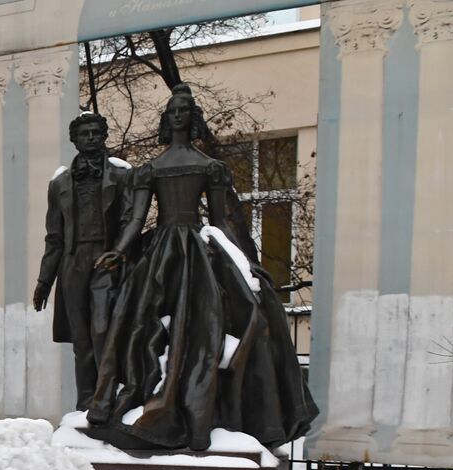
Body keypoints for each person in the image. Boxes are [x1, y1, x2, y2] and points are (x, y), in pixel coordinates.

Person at [88, 84, 317, 451]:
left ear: (193, 119)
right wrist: (118, 251)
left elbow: (224, 221)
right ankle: (130, 400)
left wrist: (245, 262)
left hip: (198, 246)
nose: (178, 116)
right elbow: (136, 222)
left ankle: (204, 410)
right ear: (167, 119)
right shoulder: (150, 170)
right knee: (138, 323)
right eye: (173, 111)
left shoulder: (210, 167)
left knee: (212, 320)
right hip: (162, 249)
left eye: (184, 111)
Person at [33, 112, 132, 410]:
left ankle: (108, 399)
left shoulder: (122, 176)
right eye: (84, 134)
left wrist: (120, 252)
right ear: (74, 140)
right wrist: (44, 282)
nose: (90, 138)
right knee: (81, 340)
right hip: (73, 263)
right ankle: (87, 403)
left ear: (104, 136)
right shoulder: (60, 183)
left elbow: (130, 221)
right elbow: (54, 237)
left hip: (107, 260)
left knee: (102, 331)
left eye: (95, 132)